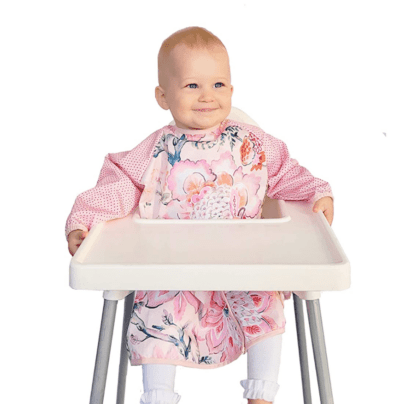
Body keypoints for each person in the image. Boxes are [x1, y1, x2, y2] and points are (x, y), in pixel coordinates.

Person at [66, 26, 334, 404]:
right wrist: (84, 220)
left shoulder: (253, 144)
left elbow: (286, 173)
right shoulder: (157, 148)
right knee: (156, 311)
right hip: (172, 268)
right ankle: (158, 395)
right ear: (163, 96)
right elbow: (120, 183)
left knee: (266, 300)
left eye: (219, 84)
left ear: (232, 89)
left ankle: (262, 395)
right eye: (192, 85)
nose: (208, 96)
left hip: (243, 264)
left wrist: (318, 193)